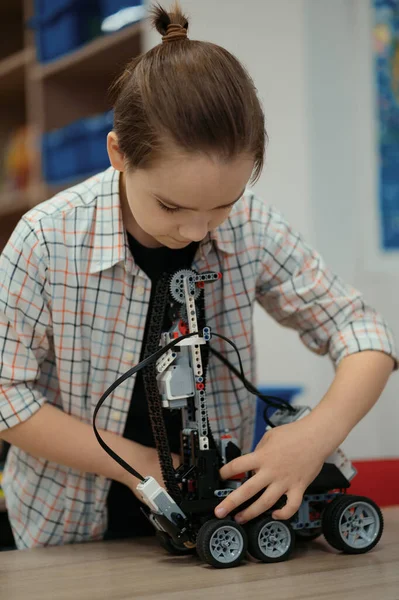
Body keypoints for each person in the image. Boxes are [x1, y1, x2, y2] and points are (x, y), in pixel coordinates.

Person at [0, 3, 396, 550]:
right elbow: (6, 396)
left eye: (222, 207)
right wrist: (145, 466)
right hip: (69, 530)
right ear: (118, 152)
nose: (195, 231)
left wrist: (313, 436)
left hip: (213, 521)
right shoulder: (47, 241)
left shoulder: (252, 224)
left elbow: (364, 334)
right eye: (170, 206)